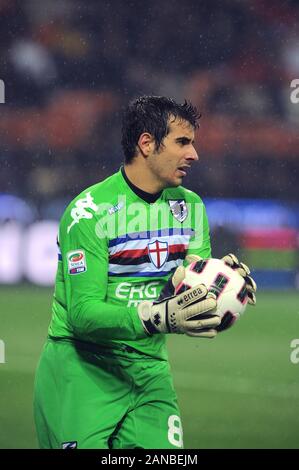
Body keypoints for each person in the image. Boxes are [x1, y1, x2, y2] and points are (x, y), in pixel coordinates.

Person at [34, 96, 256, 449]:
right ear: (147, 143)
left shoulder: (191, 206)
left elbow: (188, 287)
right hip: (82, 368)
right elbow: (82, 314)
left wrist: (221, 283)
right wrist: (156, 316)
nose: (194, 154)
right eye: (182, 142)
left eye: (193, 143)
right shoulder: (88, 214)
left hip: (149, 369)